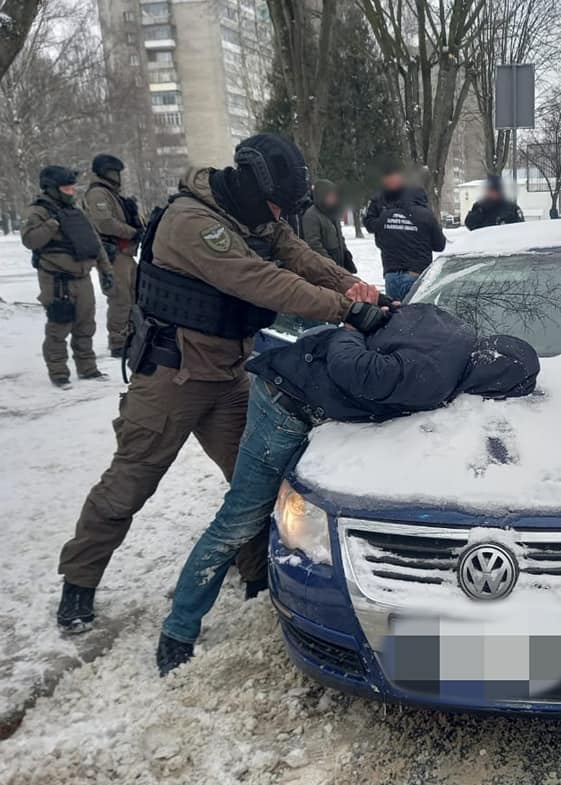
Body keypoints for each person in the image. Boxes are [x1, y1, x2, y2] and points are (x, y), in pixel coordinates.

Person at [55, 133, 384, 633]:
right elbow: (262, 280)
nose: (279, 216)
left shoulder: (255, 216)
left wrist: (358, 289)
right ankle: (79, 581)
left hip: (229, 374)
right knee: (129, 483)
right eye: (276, 206)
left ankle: (255, 574)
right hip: (172, 377)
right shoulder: (192, 222)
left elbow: (301, 257)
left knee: (256, 481)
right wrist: (346, 310)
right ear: (252, 187)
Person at [155, 302, 539, 673]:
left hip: (308, 382)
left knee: (271, 508)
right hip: (287, 402)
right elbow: (352, 368)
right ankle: (178, 629)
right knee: (240, 519)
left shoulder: (452, 326)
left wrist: (366, 320)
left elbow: (388, 316)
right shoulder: (434, 379)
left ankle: (256, 581)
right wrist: (350, 329)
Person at [21, 166, 114, 387]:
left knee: (85, 326)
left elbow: (94, 242)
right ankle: (59, 372)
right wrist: (51, 225)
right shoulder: (39, 212)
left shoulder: (76, 211)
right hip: (57, 281)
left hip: (83, 279)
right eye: (66, 188)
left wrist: (106, 270)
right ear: (52, 188)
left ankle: (88, 368)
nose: (71, 192)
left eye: (73, 188)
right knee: (59, 326)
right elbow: (30, 240)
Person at [83, 154, 144, 358]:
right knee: (120, 299)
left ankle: (133, 336)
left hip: (125, 253)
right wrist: (132, 232)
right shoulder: (98, 194)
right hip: (113, 254)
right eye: (113, 172)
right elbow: (105, 223)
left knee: (134, 296)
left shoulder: (111, 193)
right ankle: (119, 342)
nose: (117, 176)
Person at [363, 162, 446, 299]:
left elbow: (379, 240)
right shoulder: (426, 216)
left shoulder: (385, 216)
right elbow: (440, 245)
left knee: (395, 311)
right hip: (417, 275)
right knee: (416, 311)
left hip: (391, 275)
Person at [301, 179, 357, 272]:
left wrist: (346, 254)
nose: (334, 198)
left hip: (338, 261)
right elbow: (314, 244)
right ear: (321, 196)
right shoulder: (311, 215)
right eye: (330, 195)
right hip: (323, 267)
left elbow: (340, 237)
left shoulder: (333, 212)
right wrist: (329, 263)